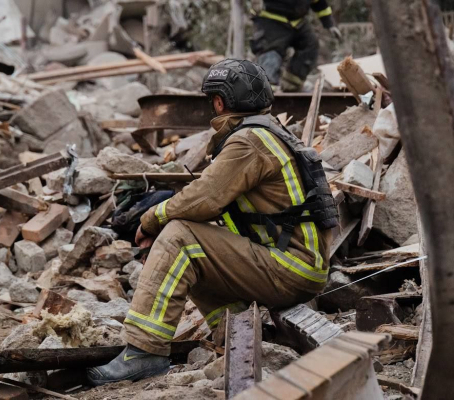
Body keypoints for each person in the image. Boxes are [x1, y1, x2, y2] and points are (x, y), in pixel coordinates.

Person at [87, 59, 338, 386]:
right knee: (203, 252)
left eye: (212, 101)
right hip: (297, 265)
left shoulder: (249, 141)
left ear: (220, 102)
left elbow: (203, 197)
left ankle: (143, 351)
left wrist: (151, 219)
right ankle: (231, 333)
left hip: (291, 267)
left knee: (180, 236)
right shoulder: (270, 133)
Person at [250, 0, 342, 91]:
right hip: (270, 19)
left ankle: (291, 84)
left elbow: (319, 3)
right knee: (271, 53)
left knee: (310, 46)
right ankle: (266, 89)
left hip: (297, 21)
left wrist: (329, 23)